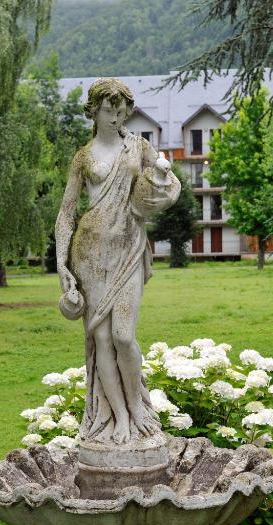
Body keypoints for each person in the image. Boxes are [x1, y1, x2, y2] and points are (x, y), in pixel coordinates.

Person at [56, 78, 180, 445]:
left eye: (121, 109)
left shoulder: (139, 147)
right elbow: (66, 213)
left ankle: (139, 408)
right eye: (108, 109)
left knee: (124, 336)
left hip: (127, 248)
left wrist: (161, 175)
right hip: (90, 253)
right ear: (93, 111)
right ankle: (120, 417)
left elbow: (159, 190)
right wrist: (62, 264)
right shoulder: (83, 157)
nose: (115, 115)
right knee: (102, 339)